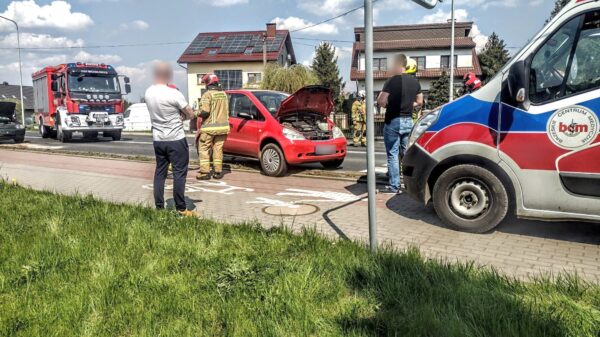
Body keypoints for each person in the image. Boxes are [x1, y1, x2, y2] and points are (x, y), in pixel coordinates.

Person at [144, 61, 196, 216]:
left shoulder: (148, 93)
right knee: (179, 173)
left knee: (160, 172)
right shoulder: (174, 93)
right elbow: (190, 113)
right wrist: (181, 116)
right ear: (167, 75)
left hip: (158, 140)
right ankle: (181, 209)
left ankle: (159, 207)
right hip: (176, 139)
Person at [377, 54, 423, 194]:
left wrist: (388, 104)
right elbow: (420, 102)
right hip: (408, 121)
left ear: (398, 65)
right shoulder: (415, 82)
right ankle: (410, 185)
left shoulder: (392, 81)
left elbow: (381, 101)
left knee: (392, 154)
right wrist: (409, 105)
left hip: (393, 120)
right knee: (406, 154)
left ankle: (394, 186)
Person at [196, 74, 230, 180]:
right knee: (218, 149)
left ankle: (205, 172)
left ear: (207, 84)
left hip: (209, 128)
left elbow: (205, 112)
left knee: (204, 148)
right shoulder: (223, 94)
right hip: (223, 128)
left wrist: (195, 113)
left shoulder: (207, 95)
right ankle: (218, 172)